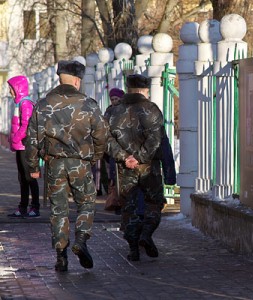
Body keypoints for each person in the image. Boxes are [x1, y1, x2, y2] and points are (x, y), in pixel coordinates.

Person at [26, 60, 109, 272]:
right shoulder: (88, 104)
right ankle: (81, 238)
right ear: (77, 80)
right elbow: (101, 134)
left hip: (54, 164)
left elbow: (32, 139)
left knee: (58, 209)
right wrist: (95, 157)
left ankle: (61, 256)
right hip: (80, 163)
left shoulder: (43, 104)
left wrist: (33, 166)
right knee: (87, 203)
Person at [108, 74, 166, 261]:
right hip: (149, 166)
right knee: (154, 202)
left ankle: (133, 248)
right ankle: (146, 234)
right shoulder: (152, 109)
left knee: (129, 207)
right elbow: (156, 139)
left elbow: (106, 139)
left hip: (125, 168)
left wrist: (125, 157)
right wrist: (140, 157)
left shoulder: (113, 111)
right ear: (144, 90)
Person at [7, 75, 40, 218]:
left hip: (25, 146)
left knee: (30, 178)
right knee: (22, 178)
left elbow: (25, 126)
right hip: (20, 146)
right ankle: (23, 207)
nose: (10, 91)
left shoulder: (25, 104)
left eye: (11, 89)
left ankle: (35, 207)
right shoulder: (18, 103)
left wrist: (15, 138)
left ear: (18, 88)